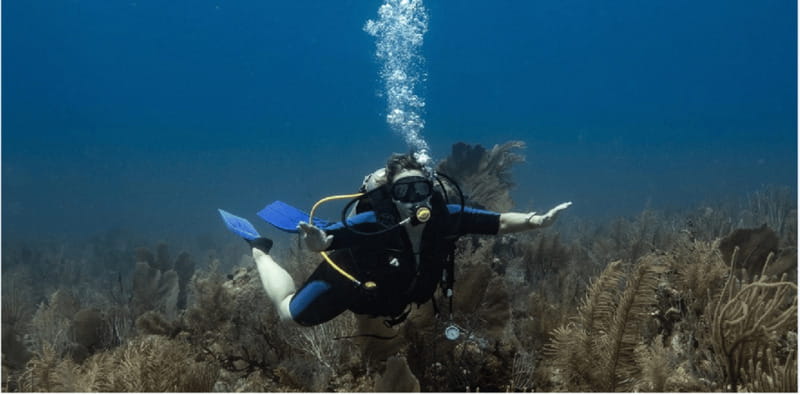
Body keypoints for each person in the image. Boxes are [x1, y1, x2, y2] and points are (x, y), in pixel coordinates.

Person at [245, 153, 571, 327]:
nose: (415, 199)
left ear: (431, 190)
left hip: (392, 293)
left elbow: (499, 222)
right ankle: (260, 251)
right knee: (289, 315)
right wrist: (317, 241)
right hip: (350, 279)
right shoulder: (374, 222)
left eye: (420, 189)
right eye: (404, 191)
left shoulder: (448, 216)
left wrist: (536, 221)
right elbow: (326, 243)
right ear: (392, 195)